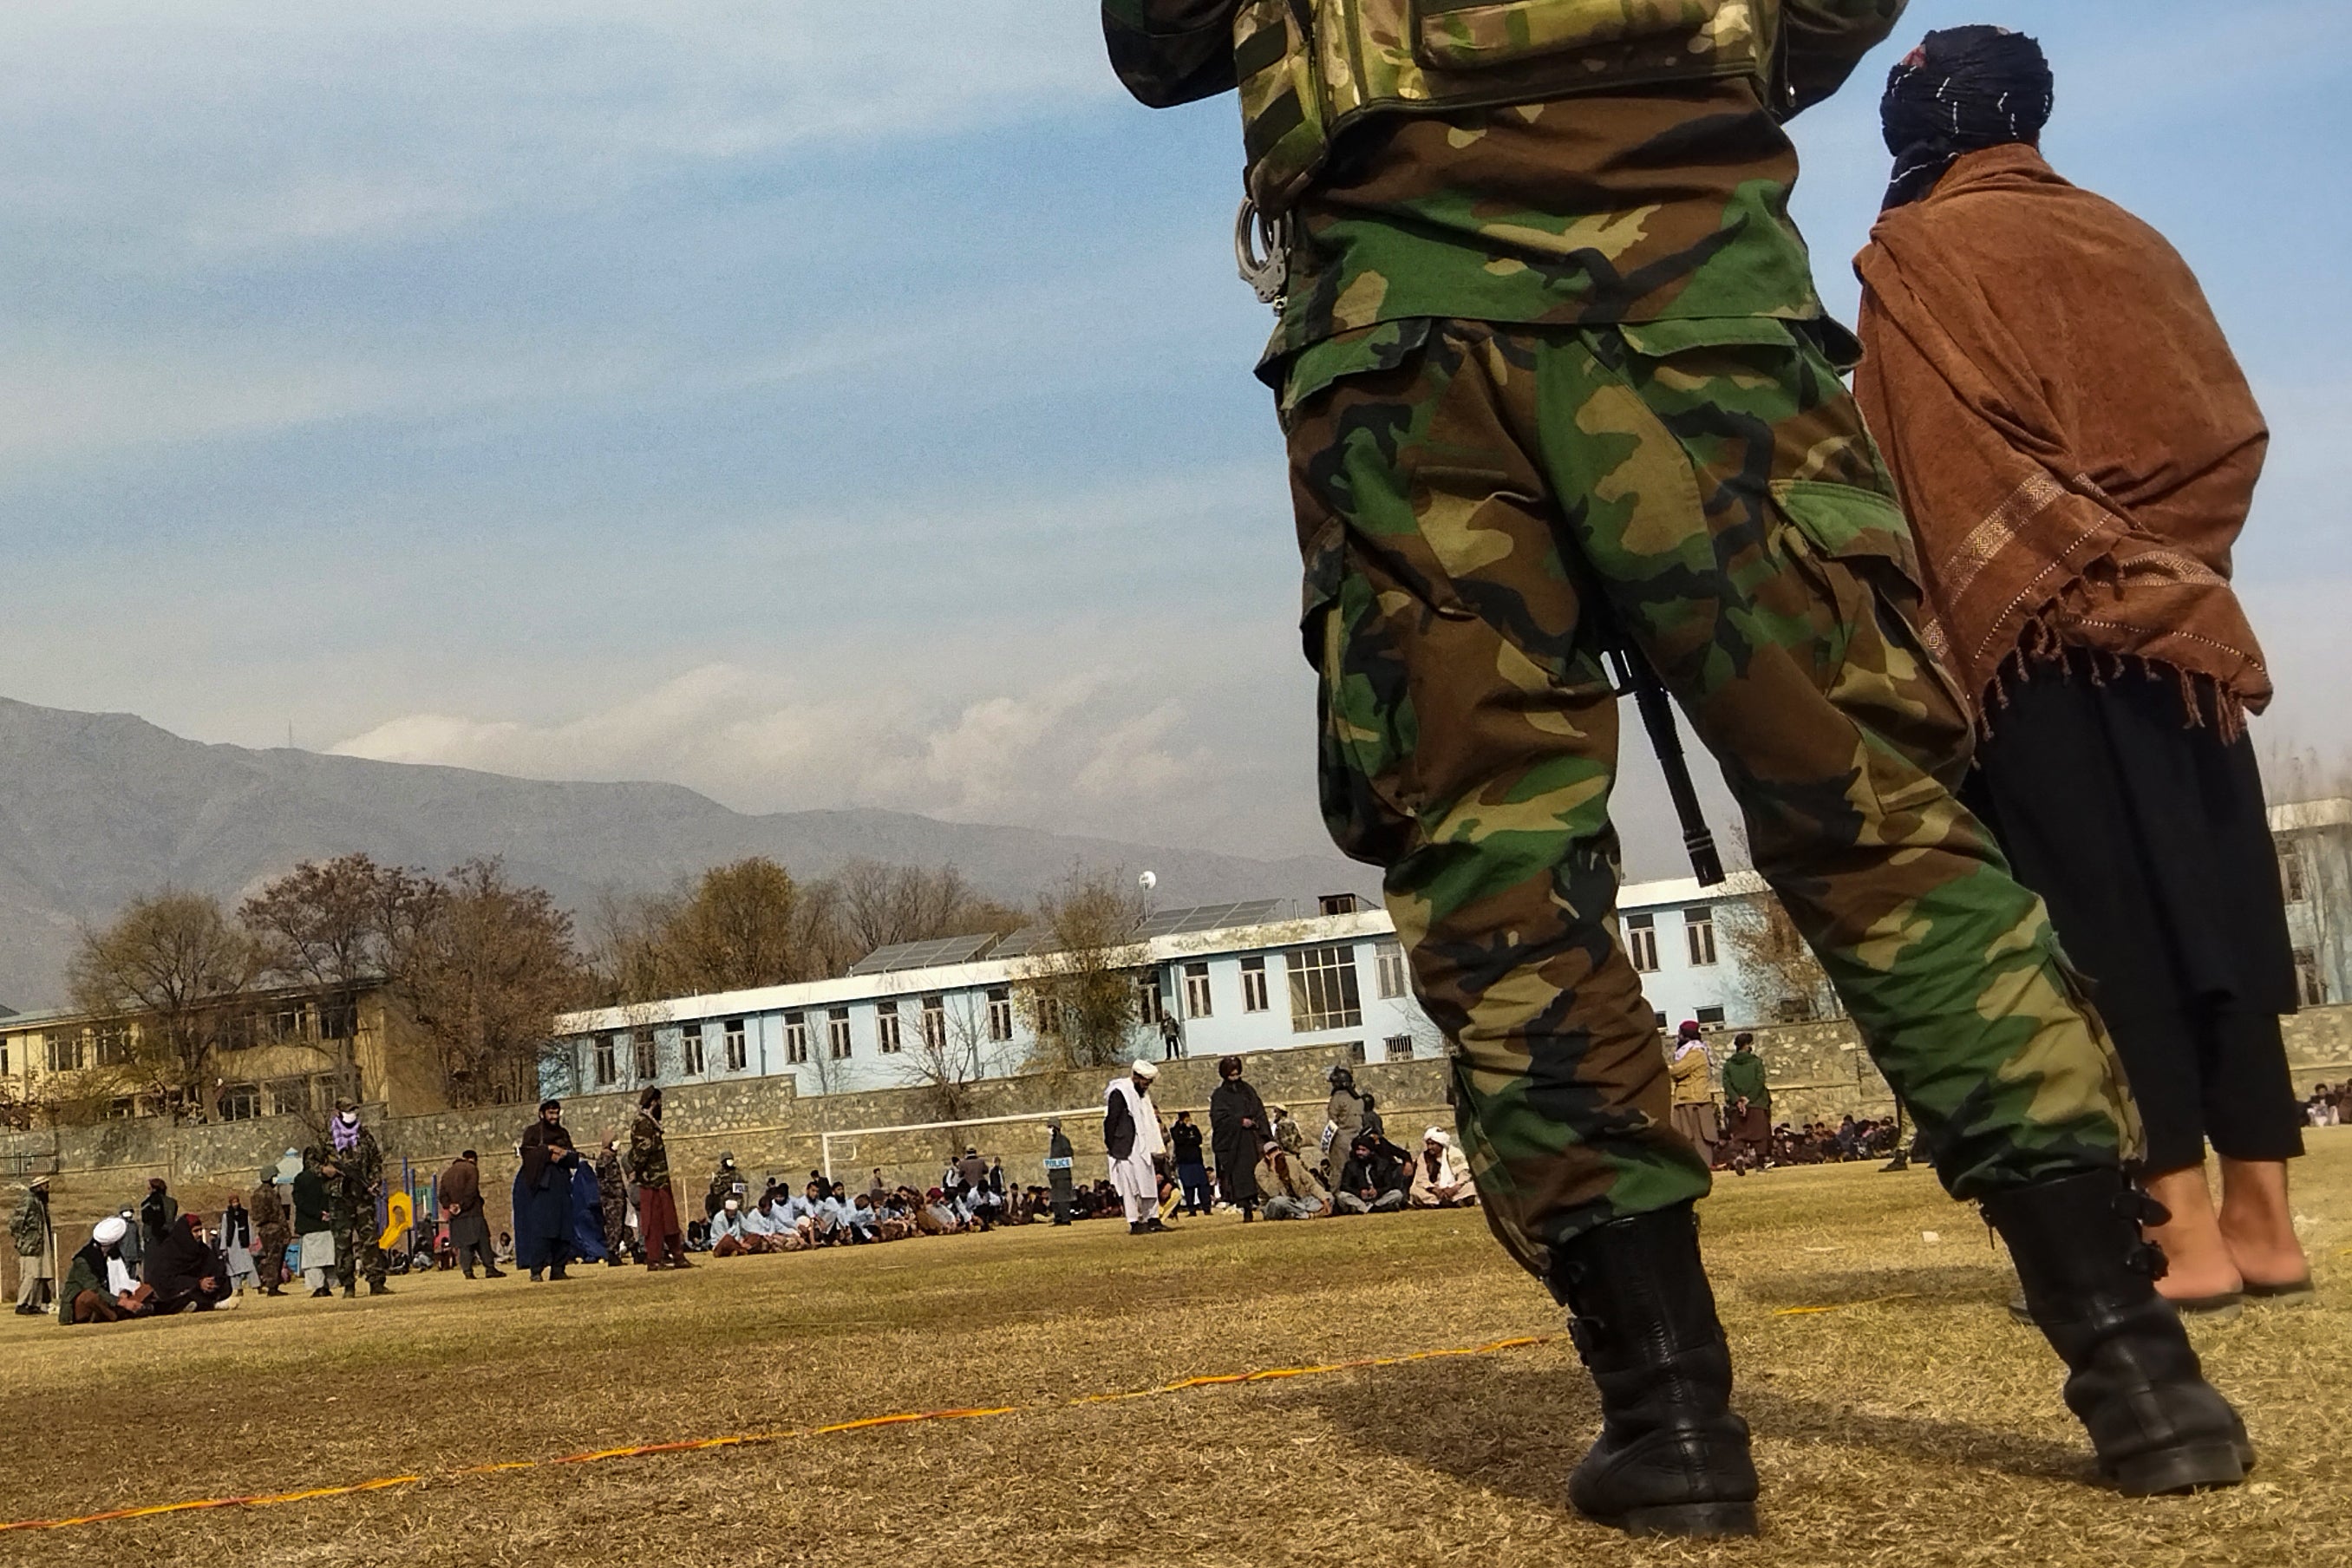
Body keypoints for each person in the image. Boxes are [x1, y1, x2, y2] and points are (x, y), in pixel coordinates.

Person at [1106, 0, 2253, 1528]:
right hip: (1704, 302)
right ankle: (2136, 1367)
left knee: (1496, 869)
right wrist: (1669, 85)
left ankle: (1670, 1420)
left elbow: (1160, 41)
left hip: (1409, 351)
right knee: (1880, 824)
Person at [1853, 26, 2308, 1317]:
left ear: (1929, 119)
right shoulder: (2132, 238)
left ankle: (2178, 1233)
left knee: (2095, 920)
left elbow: (1909, 482)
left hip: (2027, 642)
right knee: (2213, 896)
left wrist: (2054, 554)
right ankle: (2267, 1219)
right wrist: (2150, 558)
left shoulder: (1915, 257)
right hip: (2181, 628)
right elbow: (2223, 430)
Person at [309, 1102, 390, 1297]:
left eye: (354, 1111)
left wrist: (374, 1181)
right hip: (339, 1198)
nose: (351, 1114)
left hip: (362, 1197)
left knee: (370, 1240)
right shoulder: (325, 1138)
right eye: (347, 1111)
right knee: (343, 1244)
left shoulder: (364, 1136)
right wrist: (323, 1170)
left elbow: (375, 1161)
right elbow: (311, 1162)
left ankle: (376, 1282)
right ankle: (348, 1285)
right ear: (338, 1112)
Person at [514, 1100, 577, 1283]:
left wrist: (562, 1156)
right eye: (551, 1113)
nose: (554, 1117)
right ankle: (536, 1270)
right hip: (544, 1188)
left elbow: (573, 1157)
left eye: (556, 1113)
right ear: (542, 1114)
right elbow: (529, 1155)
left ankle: (558, 1268)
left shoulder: (563, 1133)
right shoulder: (533, 1133)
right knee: (544, 1231)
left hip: (562, 1186)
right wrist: (548, 1151)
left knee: (564, 1230)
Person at [628, 1087, 689, 1270]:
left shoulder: (652, 1123)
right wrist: (636, 1171)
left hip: (661, 1179)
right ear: (653, 1102)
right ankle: (653, 1259)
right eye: (659, 1102)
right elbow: (641, 1151)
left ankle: (678, 1256)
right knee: (653, 1222)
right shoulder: (643, 1123)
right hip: (650, 1181)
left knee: (669, 1220)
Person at [1103, 1057, 1166, 1234]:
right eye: (1145, 1082)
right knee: (1131, 1186)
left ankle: (1152, 1218)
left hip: (1143, 1146)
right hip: (1126, 1148)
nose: (1147, 1086)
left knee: (1148, 1183)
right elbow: (1111, 1120)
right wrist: (1112, 1145)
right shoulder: (1120, 1092)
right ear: (1136, 1077)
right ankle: (1135, 1221)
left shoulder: (1142, 1095)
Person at [1208, 1055, 1269, 1223]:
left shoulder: (1248, 1090)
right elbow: (1219, 1119)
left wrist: (1259, 1128)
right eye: (1231, 1074)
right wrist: (1239, 1122)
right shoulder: (1220, 1095)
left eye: (1237, 1074)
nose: (1235, 1077)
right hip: (1234, 1144)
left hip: (1252, 1141)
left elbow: (1259, 1110)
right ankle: (1245, 1206)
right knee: (1239, 1177)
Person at [58, 1217, 149, 1324]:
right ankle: (115, 1314)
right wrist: (121, 1302)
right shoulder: (83, 1260)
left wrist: (124, 1292)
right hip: (87, 1302)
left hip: (111, 1298)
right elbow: (94, 1288)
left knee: (146, 1289)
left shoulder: (113, 1256)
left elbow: (122, 1279)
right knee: (89, 1297)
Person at [147, 1212, 234, 1315]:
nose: (200, 1234)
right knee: (189, 1295)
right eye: (195, 1231)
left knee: (225, 1284)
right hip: (181, 1290)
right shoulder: (169, 1251)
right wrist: (197, 1283)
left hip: (203, 1288)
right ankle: (208, 1304)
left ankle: (206, 1302)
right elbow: (166, 1280)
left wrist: (212, 1281)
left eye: (200, 1230)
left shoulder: (202, 1249)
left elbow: (214, 1267)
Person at [441, 1150, 504, 1279]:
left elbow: (442, 1195)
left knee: (465, 1245)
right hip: (472, 1213)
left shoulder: (447, 1173)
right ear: (473, 1159)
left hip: (456, 1217)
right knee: (482, 1241)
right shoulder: (471, 1169)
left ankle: (468, 1271)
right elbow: (471, 1191)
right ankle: (490, 1268)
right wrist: (462, 1205)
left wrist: (450, 1206)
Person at [1669, 1023, 1722, 1168]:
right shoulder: (1689, 1052)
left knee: (1698, 1135)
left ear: (1685, 1035)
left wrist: (1664, 1067)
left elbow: (1677, 1071)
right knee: (1686, 1136)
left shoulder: (1695, 1053)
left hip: (1694, 1099)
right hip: (1686, 1098)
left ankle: (1703, 1164)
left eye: (1680, 1034)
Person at [1722, 1035, 1773, 1174]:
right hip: (1756, 1103)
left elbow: (1727, 1084)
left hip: (1736, 1106)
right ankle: (1760, 1164)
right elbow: (1760, 1080)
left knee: (1739, 1134)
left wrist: (1737, 1100)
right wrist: (1748, 1098)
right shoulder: (1756, 1062)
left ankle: (1739, 1156)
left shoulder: (1728, 1065)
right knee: (1759, 1135)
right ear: (1747, 1045)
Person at [292, 1153, 338, 1298]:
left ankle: (319, 1287)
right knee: (329, 1258)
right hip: (328, 1224)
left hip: (310, 1225)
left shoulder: (301, 1179)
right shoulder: (329, 1178)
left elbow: (299, 1202)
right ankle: (330, 1285)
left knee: (313, 1261)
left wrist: (318, 1214)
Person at [1333, 1134, 1409, 1215]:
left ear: (1371, 1151)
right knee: (1341, 1196)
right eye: (1358, 1150)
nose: (1360, 1153)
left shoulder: (1383, 1164)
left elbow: (1389, 1185)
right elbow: (1344, 1186)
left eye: (1363, 1150)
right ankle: (1374, 1209)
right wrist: (1359, 1192)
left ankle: (1367, 1209)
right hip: (1359, 1199)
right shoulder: (1350, 1165)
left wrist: (1377, 1192)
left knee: (1397, 1194)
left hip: (1378, 1199)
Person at [1255, 1140, 1330, 1221]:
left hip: (1298, 1201)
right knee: (1280, 1201)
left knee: (1329, 1198)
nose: (1275, 1154)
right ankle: (1305, 1215)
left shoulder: (1292, 1162)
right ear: (1267, 1156)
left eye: (1276, 1150)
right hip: (1275, 1205)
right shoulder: (1261, 1170)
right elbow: (1273, 1193)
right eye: (1271, 1152)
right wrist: (1273, 1170)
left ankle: (1295, 1214)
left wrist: (1324, 1199)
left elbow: (1311, 1183)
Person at [11, 1176, 55, 1315]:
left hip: (41, 1243)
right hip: (31, 1245)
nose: (47, 1189)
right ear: (39, 1187)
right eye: (45, 1186)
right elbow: (15, 1223)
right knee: (30, 1275)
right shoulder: (29, 1200)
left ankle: (34, 1304)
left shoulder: (41, 1202)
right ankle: (22, 1303)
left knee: (39, 1275)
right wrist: (22, 1241)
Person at [248, 1165, 291, 1297]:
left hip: (263, 1230)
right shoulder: (271, 1194)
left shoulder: (256, 1194)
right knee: (275, 1258)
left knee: (269, 1257)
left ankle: (270, 1283)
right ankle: (273, 1286)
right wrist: (286, 1230)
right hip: (275, 1229)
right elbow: (279, 1213)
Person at [1410, 1129, 1476, 1209]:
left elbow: (1464, 1174)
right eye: (1428, 1144)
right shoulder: (1424, 1157)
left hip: (1453, 1188)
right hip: (1434, 1190)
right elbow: (1422, 1178)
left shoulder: (1454, 1153)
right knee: (1415, 1191)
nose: (1429, 1147)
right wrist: (1435, 1190)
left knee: (1471, 1186)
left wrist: (1454, 1188)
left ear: (1440, 1144)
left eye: (1433, 1144)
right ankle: (1446, 1202)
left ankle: (1444, 1202)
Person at [1322, 1066, 1364, 1185]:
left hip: (1341, 1139)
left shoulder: (1337, 1099)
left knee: (1339, 1170)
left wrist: (1326, 1145)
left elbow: (1332, 1122)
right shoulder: (1358, 1099)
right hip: (1357, 1138)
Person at [594, 1139, 631, 1265]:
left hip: (618, 1198)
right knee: (613, 1226)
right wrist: (613, 1193)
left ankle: (631, 1248)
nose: (618, 1143)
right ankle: (612, 1253)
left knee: (621, 1225)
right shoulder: (604, 1160)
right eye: (614, 1141)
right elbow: (602, 1181)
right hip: (612, 1199)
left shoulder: (611, 1158)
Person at [1169, 1111, 1212, 1217]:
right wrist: (1187, 1135)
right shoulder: (1175, 1130)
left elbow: (1198, 1140)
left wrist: (1189, 1136)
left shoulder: (1194, 1128)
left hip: (1196, 1161)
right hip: (1185, 1162)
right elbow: (1179, 1140)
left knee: (1203, 1185)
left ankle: (1206, 1208)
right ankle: (1191, 1209)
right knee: (1189, 1187)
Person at [218, 1192, 258, 1295]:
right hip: (232, 1244)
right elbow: (224, 1230)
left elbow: (249, 1227)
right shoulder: (226, 1216)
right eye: (233, 1202)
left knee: (249, 1265)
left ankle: (256, 1286)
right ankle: (238, 1288)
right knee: (234, 1268)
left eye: (236, 1202)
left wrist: (252, 1242)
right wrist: (224, 1246)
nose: (235, 1204)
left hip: (243, 1242)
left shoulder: (244, 1214)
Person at [139, 1176, 178, 1267]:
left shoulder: (150, 1202)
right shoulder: (172, 1202)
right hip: (169, 1235)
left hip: (153, 1238)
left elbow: (146, 1219)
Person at [1043, 1120, 1076, 1225]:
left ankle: (1065, 1219)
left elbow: (1069, 1155)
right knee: (1055, 1198)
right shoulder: (1053, 1142)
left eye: (1050, 1127)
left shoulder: (1063, 1140)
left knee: (1063, 1198)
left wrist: (1060, 1163)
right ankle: (1058, 1218)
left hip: (1063, 1175)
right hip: (1054, 1176)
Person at [706, 1152, 746, 1222]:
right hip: (724, 1205)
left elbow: (743, 1188)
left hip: (737, 1202)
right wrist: (727, 1186)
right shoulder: (719, 1175)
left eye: (731, 1160)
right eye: (728, 1160)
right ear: (723, 1162)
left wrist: (734, 1187)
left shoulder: (737, 1173)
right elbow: (715, 1190)